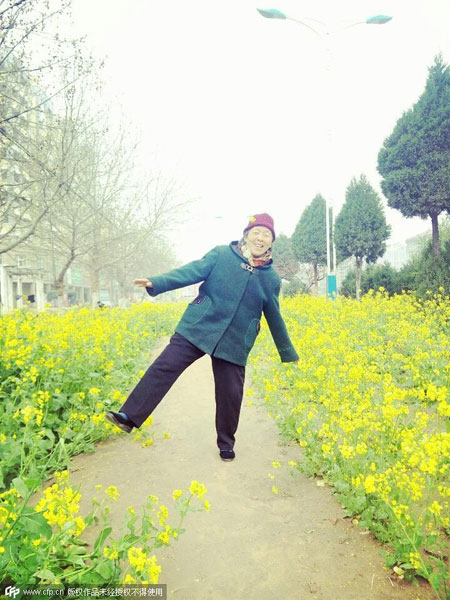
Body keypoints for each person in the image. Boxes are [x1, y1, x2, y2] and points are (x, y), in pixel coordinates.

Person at [105, 213, 299, 461]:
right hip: (199, 325)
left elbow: (274, 314)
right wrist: (157, 282)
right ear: (246, 234)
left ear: (271, 242)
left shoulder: (271, 278)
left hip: (236, 339)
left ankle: (226, 443)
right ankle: (129, 416)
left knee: (230, 393)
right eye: (257, 232)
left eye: (267, 235)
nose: (260, 238)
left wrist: (288, 351)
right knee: (165, 366)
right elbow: (191, 271)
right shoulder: (221, 255)